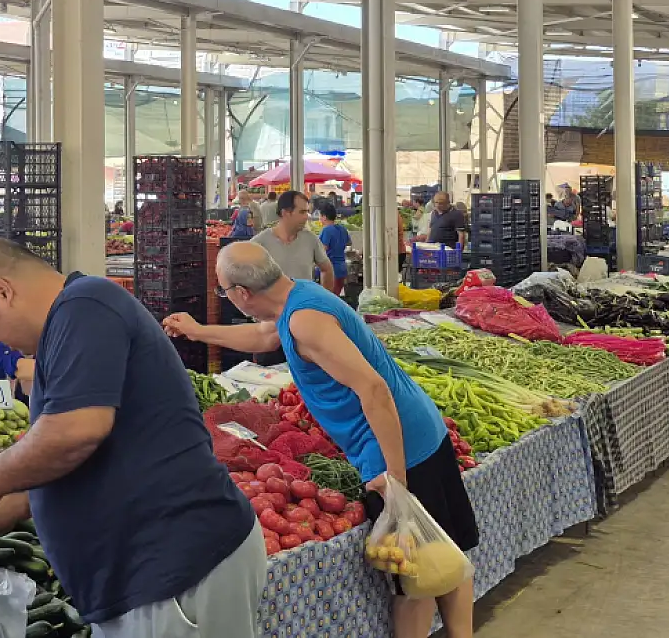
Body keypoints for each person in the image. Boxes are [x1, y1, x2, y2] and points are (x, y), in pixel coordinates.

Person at [0, 239, 265, 637]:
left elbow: (76, 433)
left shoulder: (86, 304)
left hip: (178, 571)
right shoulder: (64, 334)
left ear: (3, 291)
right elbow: (53, 467)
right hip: (146, 580)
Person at [164, 243, 476, 638]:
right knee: (444, 551)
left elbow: (374, 390)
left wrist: (395, 478)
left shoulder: (305, 322)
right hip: (419, 429)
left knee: (415, 577)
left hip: (398, 446)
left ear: (242, 294)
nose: (224, 298)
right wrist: (196, 330)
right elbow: (263, 336)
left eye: (223, 290)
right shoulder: (300, 298)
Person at [255, 190, 336, 290]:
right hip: (274, 305)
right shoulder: (260, 242)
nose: (307, 217)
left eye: (307, 212)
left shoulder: (310, 239)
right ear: (285, 213)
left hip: (305, 304)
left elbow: (327, 269)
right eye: (302, 212)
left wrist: (324, 300)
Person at [317, 202, 352, 296]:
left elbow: (322, 249)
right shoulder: (342, 229)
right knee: (334, 297)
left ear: (324, 217)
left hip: (330, 270)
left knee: (327, 299)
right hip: (342, 269)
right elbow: (349, 243)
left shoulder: (326, 230)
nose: (319, 218)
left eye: (320, 215)